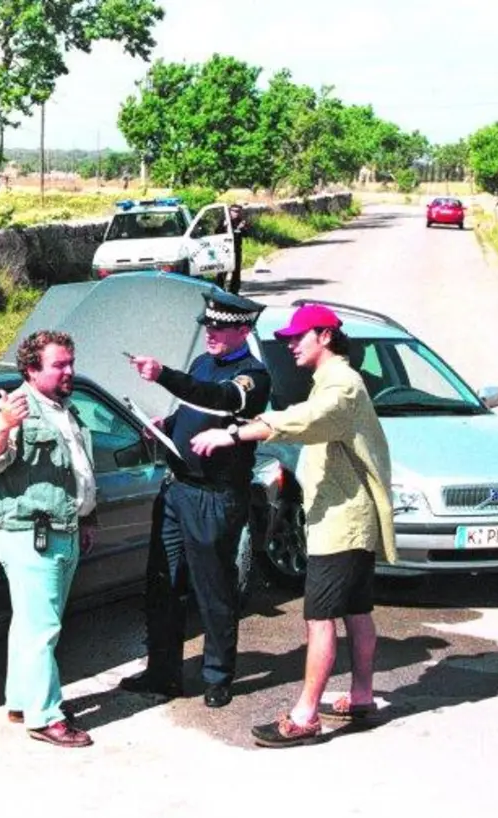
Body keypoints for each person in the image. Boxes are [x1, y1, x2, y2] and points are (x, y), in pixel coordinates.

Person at [190, 303, 395, 748]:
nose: (289, 344)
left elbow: (304, 421)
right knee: (357, 611)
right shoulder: (333, 381)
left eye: (297, 337)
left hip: (340, 523)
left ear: (323, 336)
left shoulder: (340, 385)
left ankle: (305, 717)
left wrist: (235, 433)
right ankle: (361, 696)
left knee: (319, 619)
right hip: (348, 518)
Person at [118, 291, 272, 708]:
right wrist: (165, 424)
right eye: (207, 326)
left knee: (213, 588)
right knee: (163, 583)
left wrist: (163, 373)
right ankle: (162, 671)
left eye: (220, 327)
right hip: (178, 489)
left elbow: (220, 400)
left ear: (243, 329)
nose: (211, 334)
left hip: (214, 496)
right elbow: (194, 409)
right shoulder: (203, 363)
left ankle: (218, 675)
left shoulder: (252, 375)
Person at [0, 330, 97, 749]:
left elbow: (77, 471)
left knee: (30, 626)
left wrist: (89, 517)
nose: (68, 371)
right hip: (31, 537)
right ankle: (46, 717)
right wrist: (4, 425)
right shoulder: (12, 409)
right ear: (31, 369)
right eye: (59, 365)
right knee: (43, 630)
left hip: (63, 531)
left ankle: (22, 701)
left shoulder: (63, 409)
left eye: (70, 363)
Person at [225, 204, 247, 295]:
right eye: (234, 211)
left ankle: (234, 291)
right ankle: (220, 288)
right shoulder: (226, 221)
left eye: (238, 211)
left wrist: (242, 228)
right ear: (230, 211)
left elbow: (246, 234)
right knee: (223, 271)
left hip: (237, 249)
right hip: (225, 250)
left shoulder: (241, 222)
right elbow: (217, 232)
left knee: (236, 271)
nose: (236, 213)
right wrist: (224, 226)